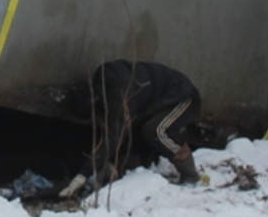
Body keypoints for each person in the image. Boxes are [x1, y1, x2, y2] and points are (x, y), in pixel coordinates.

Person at [74, 60, 201, 189]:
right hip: (161, 99)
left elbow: (114, 135)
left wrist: (84, 173)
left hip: (183, 96)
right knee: (137, 128)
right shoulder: (106, 83)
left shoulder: (120, 95)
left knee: (156, 131)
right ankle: (135, 170)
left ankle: (190, 174)